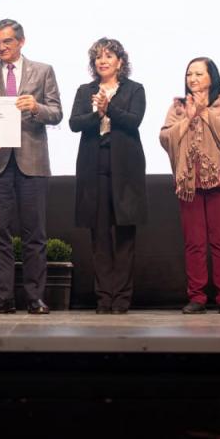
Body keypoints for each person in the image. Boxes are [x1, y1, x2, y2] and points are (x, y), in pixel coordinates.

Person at [0, 19, 63, 314]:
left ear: (21, 41)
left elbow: (56, 113)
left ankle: (35, 297)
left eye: (7, 41)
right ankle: (5, 297)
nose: (1, 47)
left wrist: (36, 107)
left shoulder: (43, 71)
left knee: (34, 234)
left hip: (32, 162)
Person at [69, 37, 147, 314]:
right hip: (95, 166)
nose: (102, 61)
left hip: (126, 168)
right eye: (98, 57)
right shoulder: (85, 90)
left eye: (108, 56)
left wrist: (109, 108)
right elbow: (74, 123)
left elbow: (134, 120)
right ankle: (104, 298)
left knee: (125, 235)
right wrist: (96, 113)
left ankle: (121, 298)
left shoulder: (135, 89)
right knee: (99, 236)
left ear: (120, 62)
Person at [159, 57, 220, 315]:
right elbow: (164, 137)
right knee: (194, 243)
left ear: (211, 77)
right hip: (188, 182)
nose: (192, 79)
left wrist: (205, 113)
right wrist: (187, 119)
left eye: (198, 74)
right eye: (189, 74)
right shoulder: (178, 106)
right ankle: (197, 297)